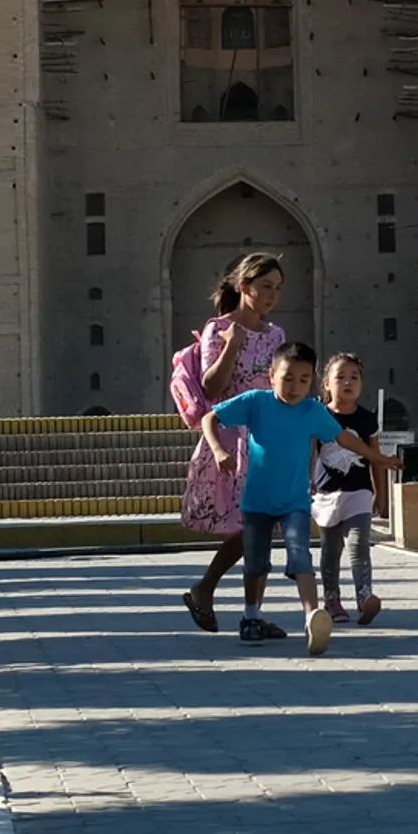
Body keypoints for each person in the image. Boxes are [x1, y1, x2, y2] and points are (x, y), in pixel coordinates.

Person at [172, 252, 286, 633]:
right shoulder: (217, 330)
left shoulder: (276, 336)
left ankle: (247, 612)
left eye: (278, 288)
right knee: (252, 526)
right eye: (265, 286)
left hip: (267, 439)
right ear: (244, 287)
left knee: (264, 528)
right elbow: (211, 387)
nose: (272, 295)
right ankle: (208, 590)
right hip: (231, 438)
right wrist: (232, 345)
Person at [198, 341, 341, 646]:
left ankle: (312, 618)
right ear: (272, 375)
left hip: (295, 502)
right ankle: (250, 617)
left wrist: (377, 458)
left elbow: (341, 438)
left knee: (300, 553)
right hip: (258, 502)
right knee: (255, 562)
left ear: (313, 380)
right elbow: (210, 418)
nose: (295, 387)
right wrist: (219, 450)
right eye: (288, 378)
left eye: (304, 380)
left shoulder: (312, 410)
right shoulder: (256, 402)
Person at [308, 351, 399, 635]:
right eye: (340, 377)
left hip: (359, 492)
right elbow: (310, 453)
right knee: (330, 550)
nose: (348, 382)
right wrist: (306, 484)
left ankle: (364, 596)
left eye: (354, 377)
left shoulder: (367, 419)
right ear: (326, 384)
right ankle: (332, 600)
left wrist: (380, 495)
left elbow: (376, 457)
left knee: (359, 544)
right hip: (326, 495)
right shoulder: (319, 416)